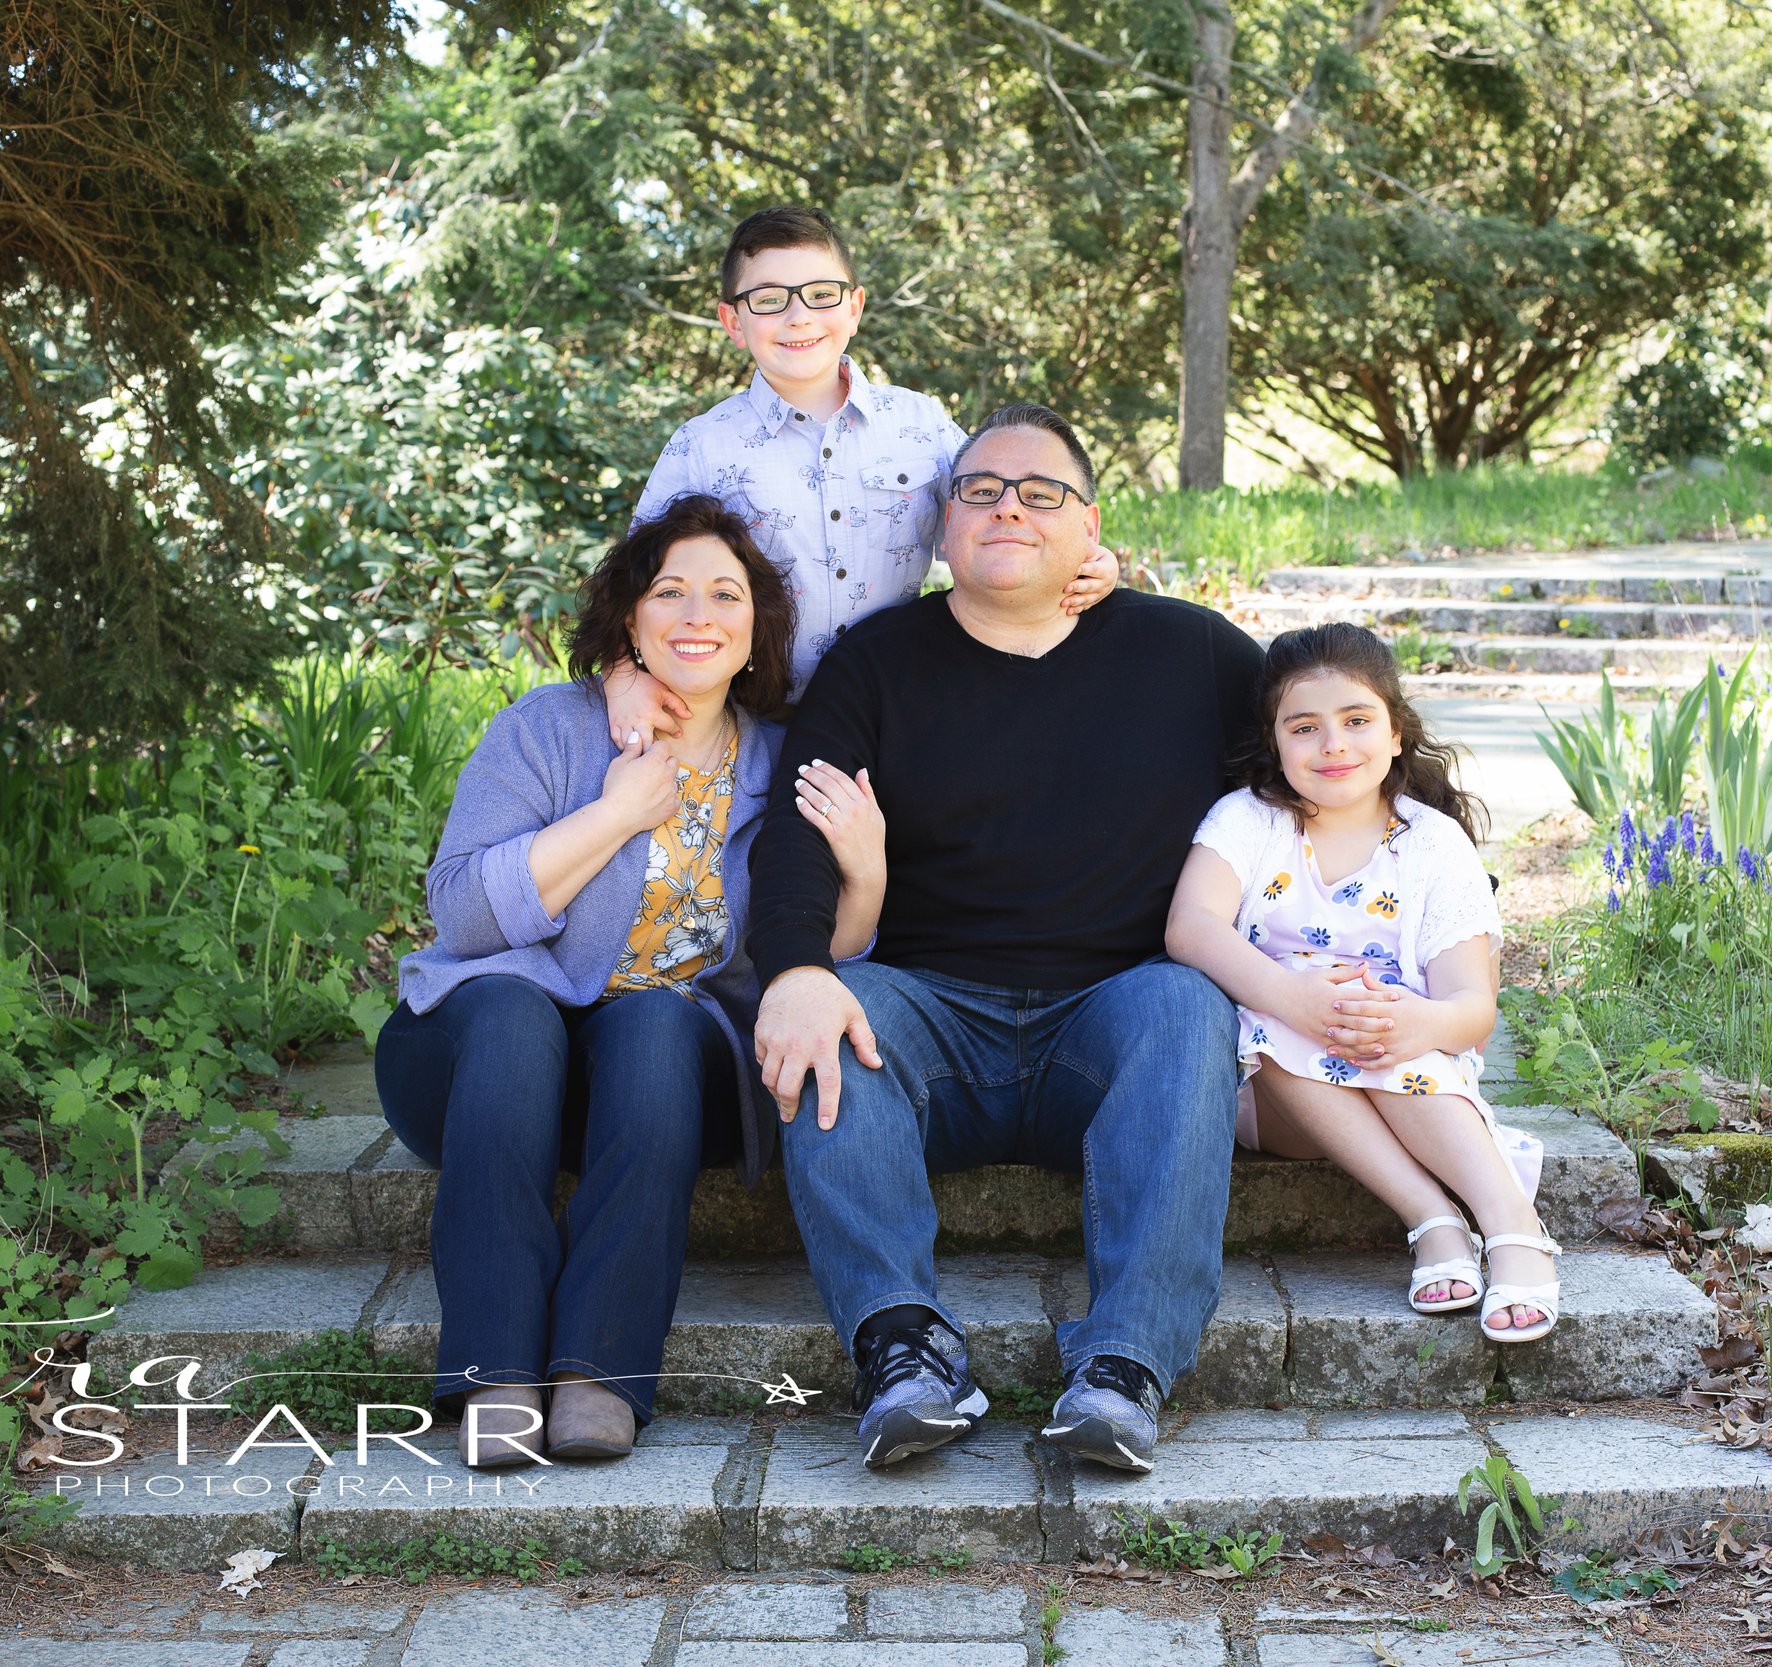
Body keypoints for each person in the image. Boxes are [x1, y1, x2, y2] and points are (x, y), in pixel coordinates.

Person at [747, 403, 1264, 1476]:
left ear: (1090, 528)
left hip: (1110, 1011)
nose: (1007, 507)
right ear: (942, 528)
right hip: (927, 1010)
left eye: (1042, 492)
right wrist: (795, 966)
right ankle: (905, 1351)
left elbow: (1324, 741)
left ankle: (1124, 1367)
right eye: (978, 489)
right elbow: (799, 835)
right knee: (832, 1016)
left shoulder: (1191, 651)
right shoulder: (875, 661)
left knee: (1187, 1002)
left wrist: (1432, 867)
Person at [374, 495, 884, 1470]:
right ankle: (494, 1373)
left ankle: (601, 1372)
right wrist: (616, 813)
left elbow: (827, 958)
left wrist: (867, 868)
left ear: (755, 627)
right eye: (670, 591)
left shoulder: (779, 763)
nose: (698, 614)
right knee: (515, 1009)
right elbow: (464, 917)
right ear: (629, 620)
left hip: (653, 1088)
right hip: (481, 1066)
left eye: (724, 594)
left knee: (658, 1020)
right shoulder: (546, 729)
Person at [1164, 623, 1561, 1342]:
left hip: (1408, 1076)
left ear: (1397, 732)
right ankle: (1430, 1216)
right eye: (1305, 727)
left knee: (1382, 1011)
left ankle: (1510, 1222)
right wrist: (1298, 1000)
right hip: (1279, 1091)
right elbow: (1190, 928)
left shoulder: (1432, 843)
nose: (1333, 745)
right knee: (1273, 998)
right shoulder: (1248, 821)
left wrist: (1414, 1021)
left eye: (1356, 721)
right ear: (1275, 741)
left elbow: (1473, 1011)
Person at [605, 204, 1118, 736]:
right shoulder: (702, 446)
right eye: (769, 299)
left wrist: (1085, 562)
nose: (798, 316)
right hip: (752, 719)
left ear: (854, 307)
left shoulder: (921, 424)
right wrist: (623, 677)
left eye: (821, 294)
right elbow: (634, 583)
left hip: (898, 709)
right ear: (733, 321)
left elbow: (993, 521)